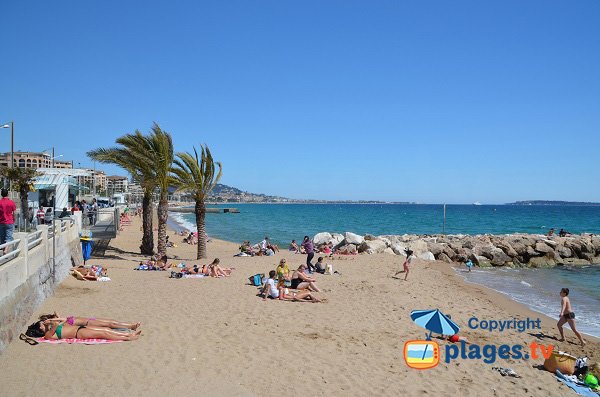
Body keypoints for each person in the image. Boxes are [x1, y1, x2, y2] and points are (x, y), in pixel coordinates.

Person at [25, 318, 141, 341]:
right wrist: (51, 322)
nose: (42, 324)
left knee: (106, 329)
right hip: (78, 333)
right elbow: (57, 325)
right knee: (104, 333)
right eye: (40, 325)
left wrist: (50, 321)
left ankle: (128, 333)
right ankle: (127, 337)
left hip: (81, 328)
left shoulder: (52, 327)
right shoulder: (47, 335)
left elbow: (62, 321)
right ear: (39, 330)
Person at [38, 312, 140, 330]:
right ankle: (131, 326)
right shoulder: (60, 324)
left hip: (89, 319)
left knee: (110, 321)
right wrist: (50, 320)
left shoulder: (60, 321)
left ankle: (129, 326)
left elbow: (57, 314)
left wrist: (51, 319)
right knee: (110, 324)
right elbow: (55, 320)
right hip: (88, 322)